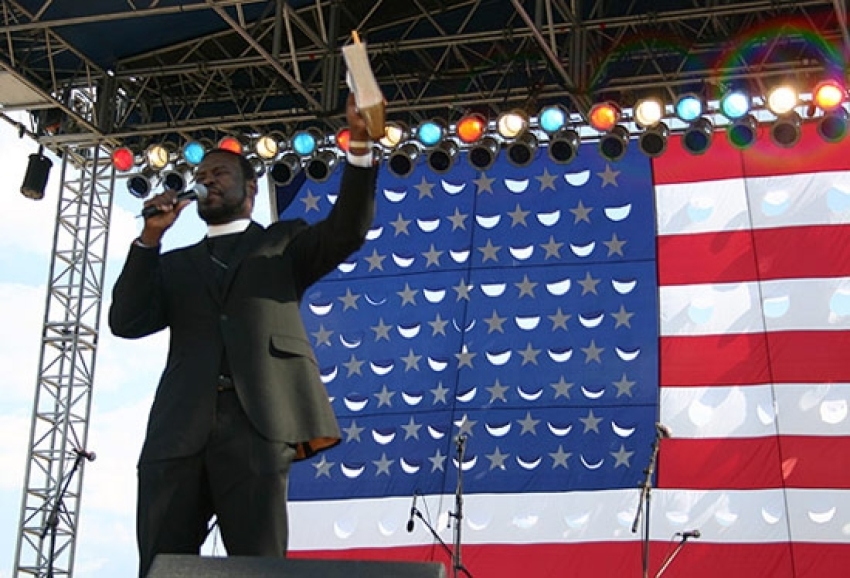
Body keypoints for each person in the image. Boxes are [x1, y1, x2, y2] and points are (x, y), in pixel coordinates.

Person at [108, 93, 379, 577]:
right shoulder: (173, 263)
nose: (208, 181)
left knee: (258, 567)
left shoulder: (283, 243)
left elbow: (348, 229)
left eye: (220, 174)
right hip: (177, 434)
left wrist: (359, 147)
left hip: (257, 427)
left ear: (250, 190)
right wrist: (149, 239)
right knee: (161, 567)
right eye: (203, 176)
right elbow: (126, 322)